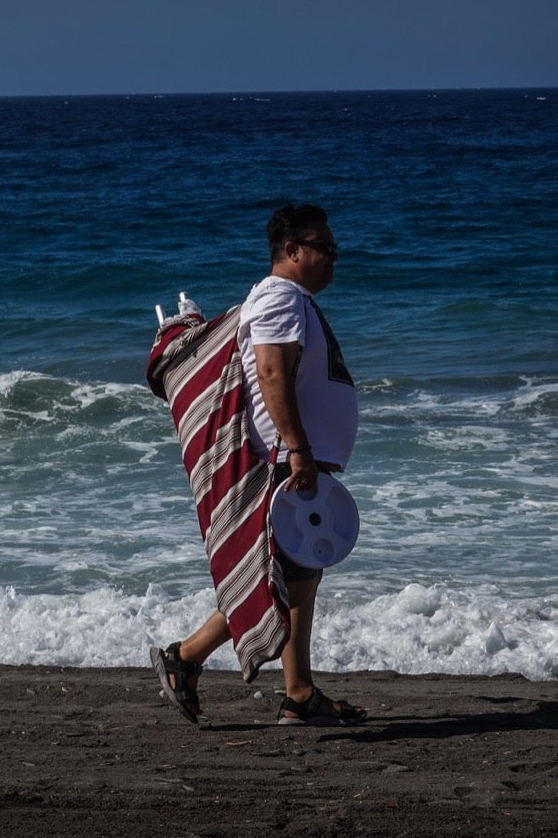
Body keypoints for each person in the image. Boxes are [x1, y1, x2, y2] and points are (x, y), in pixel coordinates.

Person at [150, 203, 367, 726]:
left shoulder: (291, 300)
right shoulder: (279, 297)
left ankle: (297, 691)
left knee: (296, 578)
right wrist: (297, 448)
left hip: (295, 461)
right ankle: (186, 658)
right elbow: (271, 374)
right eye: (324, 248)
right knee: (279, 579)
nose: (333, 258)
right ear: (291, 251)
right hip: (285, 463)